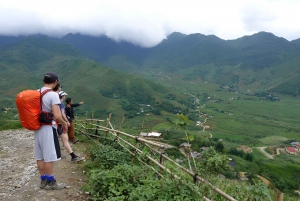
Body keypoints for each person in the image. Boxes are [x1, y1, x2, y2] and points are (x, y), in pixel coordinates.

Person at [35, 72, 68, 190]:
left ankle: (43, 180)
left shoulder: (37, 92)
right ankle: (51, 182)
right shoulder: (53, 95)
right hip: (48, 128)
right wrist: (65, 124)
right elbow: (57, 116)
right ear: (55, 82)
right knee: (49, 156)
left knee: (40, 156)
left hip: (37, 128)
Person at [57, 90, 84, 162]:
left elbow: (74, 105)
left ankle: (62, 154)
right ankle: (71, 155)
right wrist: (66, 122)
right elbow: (63, 115)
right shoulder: (62, 104)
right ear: (62, 96)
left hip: (56, 123)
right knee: (64, 137)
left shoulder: (55, 103)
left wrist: (79, 104)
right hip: (59, 123)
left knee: (60, 139)